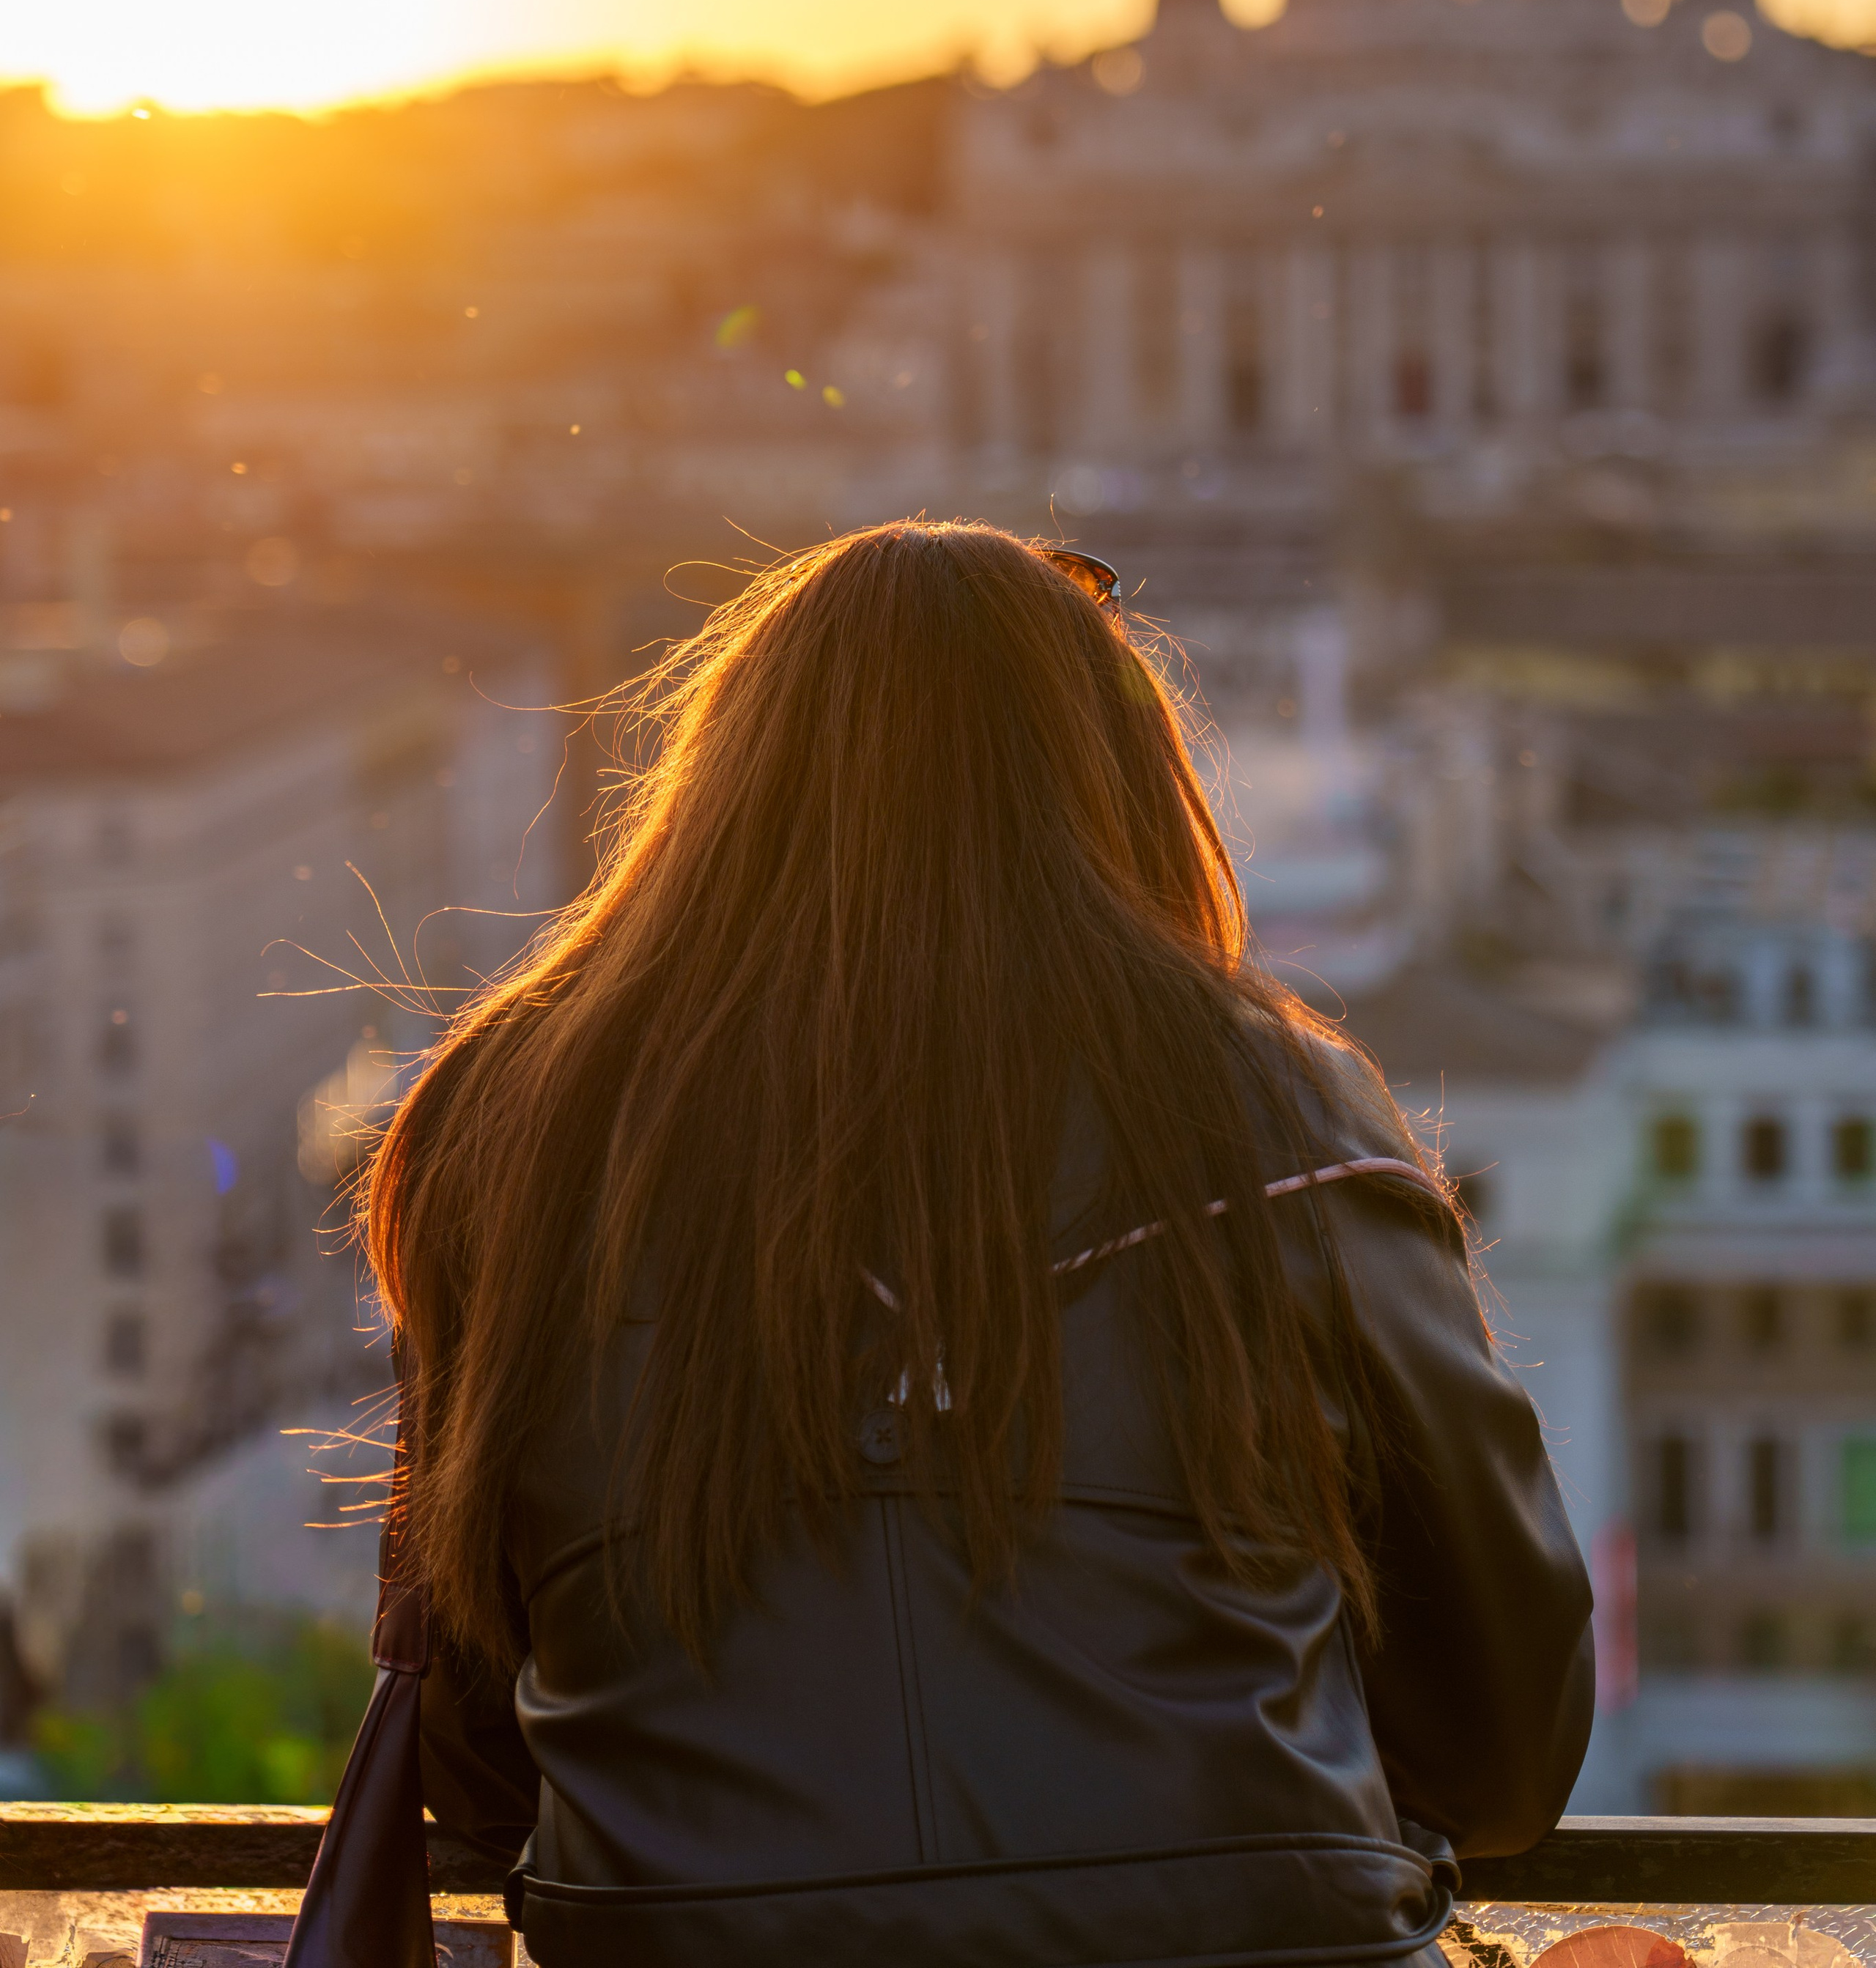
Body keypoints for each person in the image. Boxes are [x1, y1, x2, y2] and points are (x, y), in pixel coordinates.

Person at [366, 521, 1592, 1968]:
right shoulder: (1283, 1113)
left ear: (720, 785)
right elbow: (1504, 1742)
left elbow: (471, 1747)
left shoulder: (513, 1125)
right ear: (1108, 781)